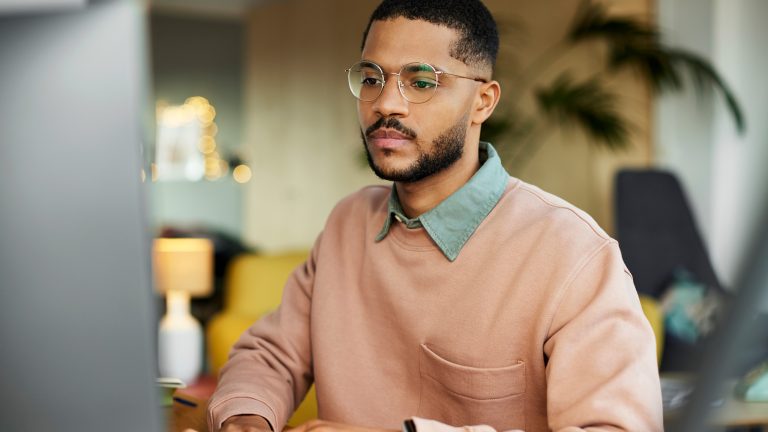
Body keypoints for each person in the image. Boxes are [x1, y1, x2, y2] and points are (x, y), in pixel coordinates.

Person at [207, 1, 663, 431]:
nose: (386, 103)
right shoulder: (348, 224)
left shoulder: (573, 253)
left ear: (482, 102)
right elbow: (269, 355)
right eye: (372, 78)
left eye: (421, 82)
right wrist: (247, 415)